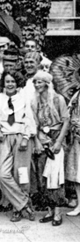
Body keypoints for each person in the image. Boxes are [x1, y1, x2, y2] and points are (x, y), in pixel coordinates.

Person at [0, 70, 36, 222]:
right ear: (3, 83)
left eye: (13, 82)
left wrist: (25, 137)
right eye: (7, 81)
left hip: (21, 137)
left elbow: (29, 119)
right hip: (4, 138)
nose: (10, 84)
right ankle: (23, 202)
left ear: (18, 84)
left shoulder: (23, 98)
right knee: (3, 174)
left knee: (20, 174)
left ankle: (17, 209)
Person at [30, 71, 69, 226]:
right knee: (43, 176)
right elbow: (34, 124)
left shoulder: (58, 99)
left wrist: (59, 142)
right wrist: (38, 142)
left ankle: (58, 212)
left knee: (56, 176)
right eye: (35, 82)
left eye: (40, 82)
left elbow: (66, 121)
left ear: (47, 83)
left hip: (57, 137)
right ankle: (49, 210)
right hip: (42, 139)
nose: (38, 85)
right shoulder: (35, 102)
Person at [66, 76, 80, 217]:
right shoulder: (76, 94)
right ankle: (79, 204)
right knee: (77, 173)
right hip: (77, 137)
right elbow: (69, 113)